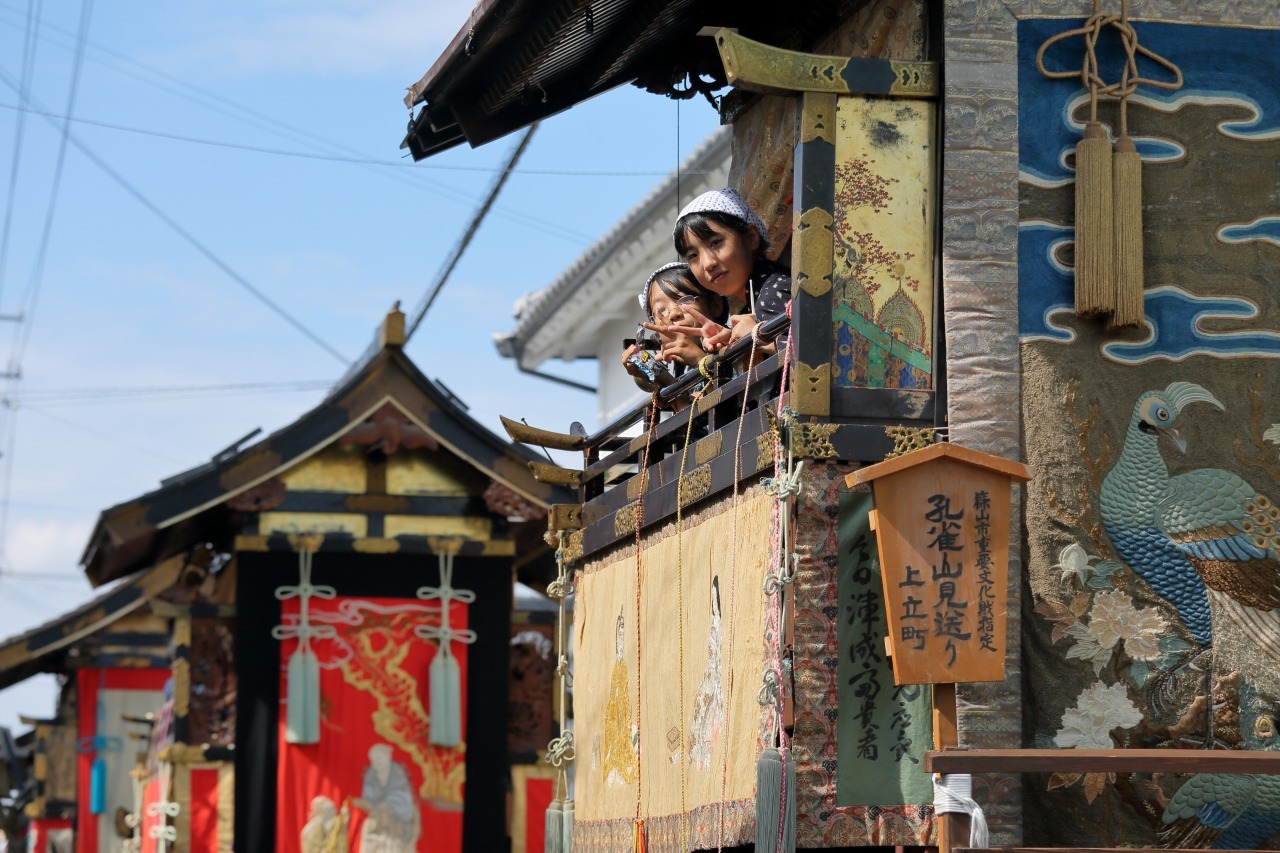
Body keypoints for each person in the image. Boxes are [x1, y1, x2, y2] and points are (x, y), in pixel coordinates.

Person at [668, 187, 791, 356]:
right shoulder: (753, 302)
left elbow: (820, 356)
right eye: (693, 256)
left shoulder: (773, 293)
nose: (707, 263)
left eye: (716, 243)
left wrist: (760, 339)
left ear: (751, 237)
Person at [620, 262, 728, 397]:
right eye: (661, 310)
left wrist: (700, 360)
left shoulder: (735, 346)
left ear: (715, 305)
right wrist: (662, 377)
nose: (673, 314)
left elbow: (741, 400)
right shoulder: (683, 373)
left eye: (684, 300)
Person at [353, 744, 420, 852]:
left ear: (387, 758)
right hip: (378, 820)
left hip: (397, 818)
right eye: (374, 759)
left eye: (380, 758)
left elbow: (401, 796)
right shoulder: (371, 774)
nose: (377, 762)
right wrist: (365, 804)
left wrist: (387, 805)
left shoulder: (397, 773)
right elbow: (369, 797)